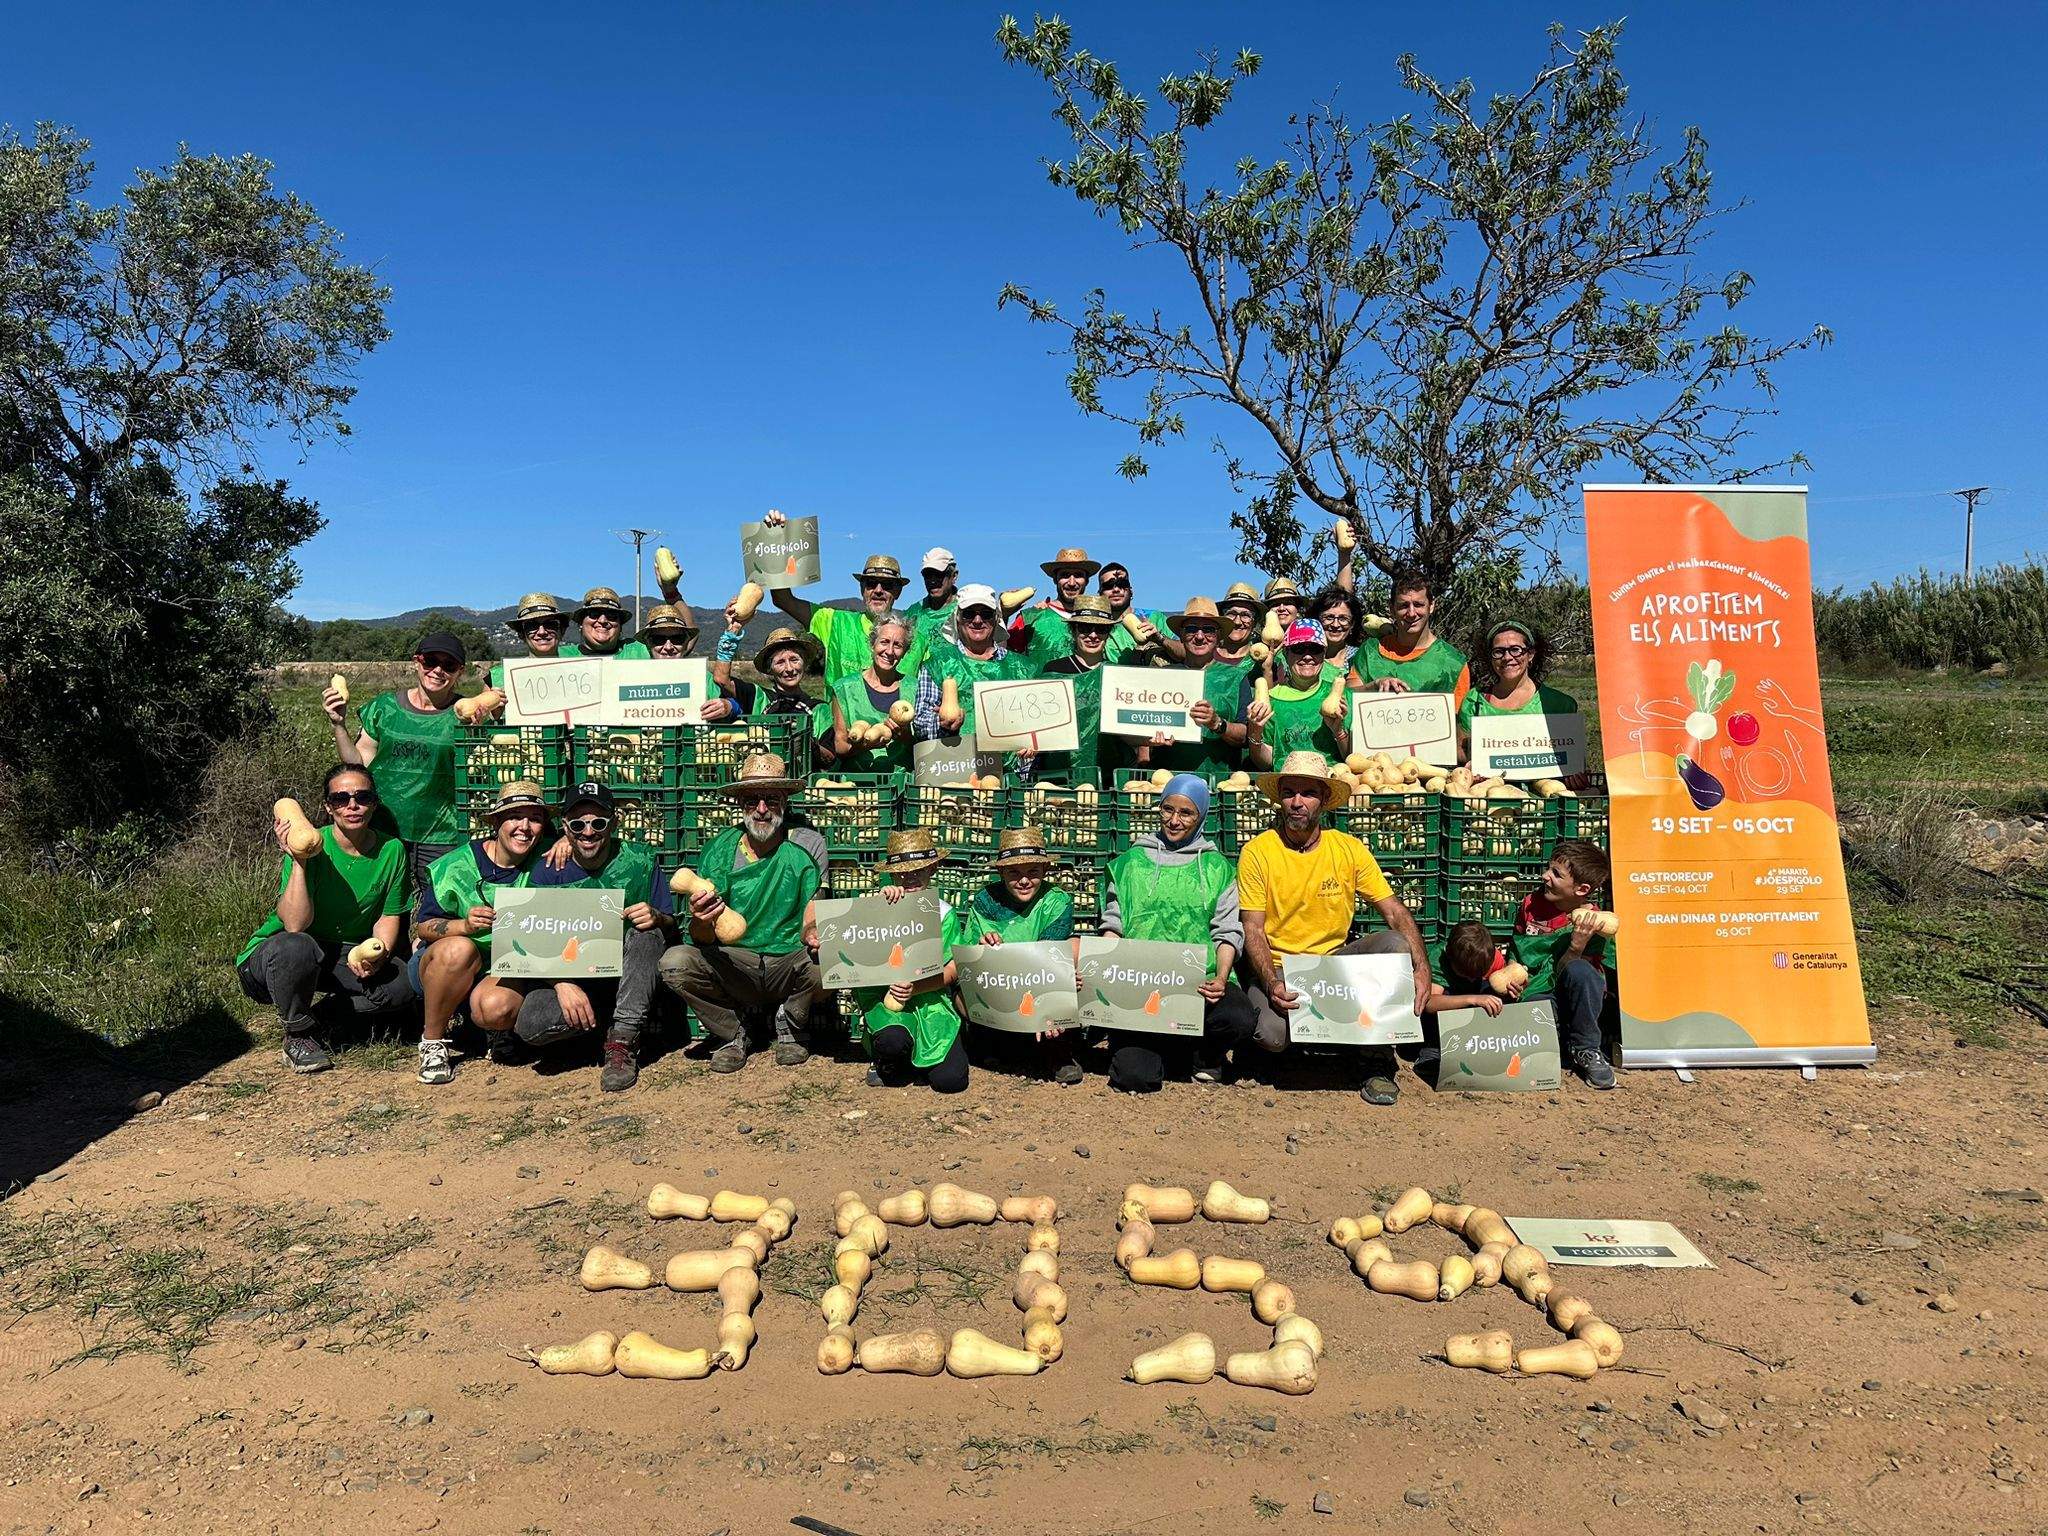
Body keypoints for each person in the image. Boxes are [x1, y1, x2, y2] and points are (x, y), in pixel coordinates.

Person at [1236, 751, 1432, 1106]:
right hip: (1282, 965)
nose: (1297, 802)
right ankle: (1301, 1045)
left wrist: (1422, 967)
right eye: (1289, 792)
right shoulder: (1257, 852)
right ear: (1279, 798)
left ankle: (1375, 1060)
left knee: (1393, 943)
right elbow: (1253, 929)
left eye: (1307, 793)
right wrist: (1271, 982)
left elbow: (1395, 912)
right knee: (1270, 1035)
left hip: (1334, 964)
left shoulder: (1348, 849)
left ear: (1324, 800)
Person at [235, 764, 415, 1073]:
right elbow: (295, 924)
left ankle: (320, 1018)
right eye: (341, 798)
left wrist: (379, 950)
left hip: (342, 952)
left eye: (362, 796)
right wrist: (298, 861)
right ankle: (298, 1034)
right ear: (328, 807)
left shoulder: (392, 850)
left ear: (374, 802)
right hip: (278, 957)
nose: (352, 805)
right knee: (296, 946)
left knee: (403, 986)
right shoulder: (311, 845)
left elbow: (388, 914)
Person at [658, 752, 827, 1072]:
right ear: (739, 804)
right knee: (675, 963)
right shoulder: (718, 850)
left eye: (771, 800)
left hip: (787, 957)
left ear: (785, 802)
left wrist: (812, 932)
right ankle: (733, 1031)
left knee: (829, 959)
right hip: (735, 962)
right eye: (752, 800)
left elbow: (813, 908)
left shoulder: (808, 844)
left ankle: (790, 1022)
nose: (761, 810)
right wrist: (702, 920)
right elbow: (701, 938)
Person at [512, 782, 675, 1093]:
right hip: (575, 984)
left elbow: (670, 925)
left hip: (630, 981)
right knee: (530, 1023)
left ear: (614, 823)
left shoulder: (640, 859)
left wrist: (657, 917)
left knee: (647, 934)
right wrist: (560, 983)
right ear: (565, 828)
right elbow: (530, 942)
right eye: (578, 824)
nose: (588, 832)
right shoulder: (545, 871)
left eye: (598, 823)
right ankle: (600, 1030)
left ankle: (623, 1039)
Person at [1098, 775, 1258, 1090]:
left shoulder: (1217, 868)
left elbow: (1227, 932)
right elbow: (1113, 925)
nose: (1174, 820)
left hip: (1198, 987)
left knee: (1238, 1016)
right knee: (1134, 1077)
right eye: (1167, 809)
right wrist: (1103, 970)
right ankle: (1167, 1048)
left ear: (1201, 817)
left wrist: (1222, 978)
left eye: (1186, 813)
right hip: (1141, 986)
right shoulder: (1130, 864)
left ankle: (1204, 1053)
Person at [408, 780, 550, 1085]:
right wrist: (464, 926)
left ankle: (490, 1031)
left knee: (496, 1008)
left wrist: (564, 842)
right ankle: (433, 1041)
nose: (524, 827)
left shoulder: (546, 859)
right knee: (459, 949)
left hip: (503, 966)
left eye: (535, 819)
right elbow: (424, 926)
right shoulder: (456, 866)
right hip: (445, 965)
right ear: (496, 822)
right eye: (514, 817)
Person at [324, 630, 467, 895]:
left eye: (449, 665)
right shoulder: (385, 707)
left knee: (439, 907)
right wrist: (339, 725)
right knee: (382, 904)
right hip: (383, 827)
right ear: (416, 661)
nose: (438, 670)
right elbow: (359, 762)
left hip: (442, 832)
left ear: (460, 672)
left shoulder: (466, 714)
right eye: (430, 661)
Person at [958, 827, 1080, 1083]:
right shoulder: (984, 901)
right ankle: (993, 1043)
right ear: (1001, 871)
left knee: (1076, 954)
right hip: (1001, 989)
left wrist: (1049, 1000)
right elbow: (967, 961)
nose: (1024, 881)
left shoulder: (1058, 901)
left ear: (1045, 871)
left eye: (1033, 872)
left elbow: (1049, 957)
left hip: (1040, 984)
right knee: (959, 993)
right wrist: (982, 948)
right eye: (1014, 872)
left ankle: (1058, 1053)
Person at [854, 829, 969, 1093]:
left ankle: (919, 1059)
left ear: (933, 869)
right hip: (887, 1002)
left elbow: (952, 969)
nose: (910, 877)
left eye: (919, 869)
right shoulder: (877, 905)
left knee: (950, 1081)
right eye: (902, 872)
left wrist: (915, 988)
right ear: (891, 874)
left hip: (932, 1003)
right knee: (893, 1042)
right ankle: (888, 1060)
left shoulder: (945, 913)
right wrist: (880, 907)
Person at [1502, 839, 1616, 1089]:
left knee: (1582, 971)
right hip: (1538, 990)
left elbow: (1571, 974)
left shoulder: (1593, 922)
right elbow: (1518, 948)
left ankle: (1586, 1049)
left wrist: (1576, 946)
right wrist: (1513, 976)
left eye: (1556, 874)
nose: (1545, 876)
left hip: (1572, 996)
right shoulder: (1531, 905)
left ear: (1581, 889)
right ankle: (1558, 1043)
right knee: (1532, 1012)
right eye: (1548, 869)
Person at [771, 549, 922, 689]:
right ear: (862, 589)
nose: (878, 590)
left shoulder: (917, 640)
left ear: (898, 591)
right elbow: (783, 600)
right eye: (871, 583)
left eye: (887, 585)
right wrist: (779, 542)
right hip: (838, 718)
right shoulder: (834, 622)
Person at [1143, 597, 1252, 778]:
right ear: (1181, 635)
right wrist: (1149, 739)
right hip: (1167, 782)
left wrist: (1217, 723)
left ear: (1218, 636)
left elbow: (1244, 736)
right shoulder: (1163, 675)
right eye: (1192, 629)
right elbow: (1139, 729)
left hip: (1219, 784)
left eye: (1208, 630)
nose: (1200, 636)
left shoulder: (1236, 677)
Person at [915, 584, 1032, 742]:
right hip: (956, 762)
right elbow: (920, 724)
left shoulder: (1022, 667)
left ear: (996, 618)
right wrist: (942, 724)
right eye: (969, 614)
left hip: (1009, 765)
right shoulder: (938, 663)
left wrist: (1032, 742)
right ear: (957, 617)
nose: (977, 620)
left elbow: (1035, 722)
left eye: (986, 614)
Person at [1458, 619, 1580, 762]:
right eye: (1499, 651)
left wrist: (1575, 774)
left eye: (1515, 650)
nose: (1507, 657)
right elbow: (1461, 750)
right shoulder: (1475, 700)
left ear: (1531, 654)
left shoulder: (1559, 704)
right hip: (1489, 784)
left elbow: (1573, 756)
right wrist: (1472, 763)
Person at [1032, 592, 1120, 786]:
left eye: (1101, 629)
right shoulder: (1053, 670)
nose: (1093, 635)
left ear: (1108, 634)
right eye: (1085, 628)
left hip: (1106, 775)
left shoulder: (1117, 674)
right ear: (1073, 630)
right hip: (1058, 773)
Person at [1351, 566, 1471, 706]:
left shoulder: (1454, 663)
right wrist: (1374, 686)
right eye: (1404, 606)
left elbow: (1460, 722)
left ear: (1431, 606)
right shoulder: (1370, 652)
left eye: (1418, 604)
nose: (1412, 613)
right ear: (1392, 609)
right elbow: (1346, 697)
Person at [1413, 918, 1509, 1085]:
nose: (1472, 978)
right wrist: (1471, 999)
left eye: (1477, 974)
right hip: (1445, 1014)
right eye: (1465, 974)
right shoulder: (1437, 959)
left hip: (1473, 1016)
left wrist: (1509, 990)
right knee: (1439, 1002)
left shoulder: (1490, 958)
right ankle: (1433, 1050)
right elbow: (1429, 1004)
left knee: (1492, 991)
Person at [1245, 619, 1349, 769]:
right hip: (1287, 786)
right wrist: (1255, 733)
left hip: (1330, 783)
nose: (1307, 656)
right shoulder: (1271, 699)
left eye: (1315, 649)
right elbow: (1265, 763)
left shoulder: (1341, 696)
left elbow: (1353, 757)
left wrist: (1339, 732)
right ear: (1286, 654)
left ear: (1324, 654)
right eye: (1299, 649)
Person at [824, 611, 915, 772]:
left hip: (903, 784)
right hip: (858, 785)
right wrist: (866, 745)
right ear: (873, 644)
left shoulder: (915, 688)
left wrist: (906, 737)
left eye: (898, 645)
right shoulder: (844, 688)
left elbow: (924, 744)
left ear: (905, 651)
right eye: (884, 642)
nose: (889, 651)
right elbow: (840, 746)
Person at [1008, 546, 1101, 669]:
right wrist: (1003, 614)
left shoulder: (1100, 621)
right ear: (1055, 579)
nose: (1072, 582)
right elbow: (1005, 656)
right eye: (1065, 575)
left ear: (1087, 580)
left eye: (1078, 575)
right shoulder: (1030, 618)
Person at [713, 623, 822, 717]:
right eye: (780, 662)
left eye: (794, 660)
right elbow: (721, 679)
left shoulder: (818, 709)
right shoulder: (758, 697)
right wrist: (734, 629)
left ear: (804, 663)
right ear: (770, 668)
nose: (789, 668)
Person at [490, 592, 576, 688]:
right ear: (521, 634)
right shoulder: (498, 677)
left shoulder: (581, 671)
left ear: (562, 630)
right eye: (531, 626)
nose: (542, 632)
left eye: (550, 624)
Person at [1097, 560, 1174, 665]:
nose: (1116, 589)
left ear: (1131, 591)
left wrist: (1160, 639)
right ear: (1100, 594)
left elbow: (1184, 652)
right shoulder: (1097, 629)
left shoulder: (1155, 617)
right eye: (1108, 586)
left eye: (1122, 584)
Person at [909, 547, 960, 654]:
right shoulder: (913, 613)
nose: (932, 581)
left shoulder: (967, 611)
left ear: (954, 576)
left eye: (939, 575)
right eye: (928, 575)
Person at [573, 587, 648, 659]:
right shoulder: (562, 654)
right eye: (594, 614)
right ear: (581, 623)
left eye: (611, 615)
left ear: (620, 626)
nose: (602, 620)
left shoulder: (639, 652)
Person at [1308, 586, 1364, 674]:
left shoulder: (1361, 656)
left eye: (1343, 619)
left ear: (1352, 624)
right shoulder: (1305, 657)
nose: (1335, 625)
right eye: (1329, 617)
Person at [1217, 583, 1265, 663]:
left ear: (1255, 622)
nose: (1237, 622)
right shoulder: (1204, 657)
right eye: (1231, 614)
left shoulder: (1263, 661)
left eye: (1245, 615)